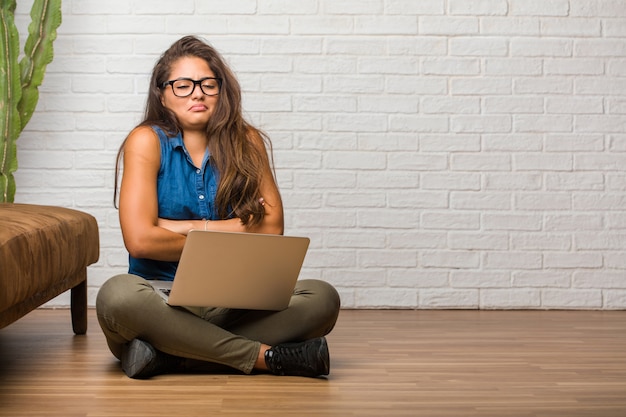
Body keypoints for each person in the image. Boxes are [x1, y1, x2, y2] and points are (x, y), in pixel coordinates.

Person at [96, 35, 341, 379]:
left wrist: (178, 226)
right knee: (117, 297)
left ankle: (170, 356)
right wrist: (232, 230)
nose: (197, 93)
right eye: (182, 85)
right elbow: (140, 240)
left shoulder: (248, 141)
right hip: (160, 302)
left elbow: (271, 230)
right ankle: (269, 357)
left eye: (208, 84)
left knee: (322, 297)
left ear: (221, 91)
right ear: (162, 94)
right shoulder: (146, 140)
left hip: (235, 302)